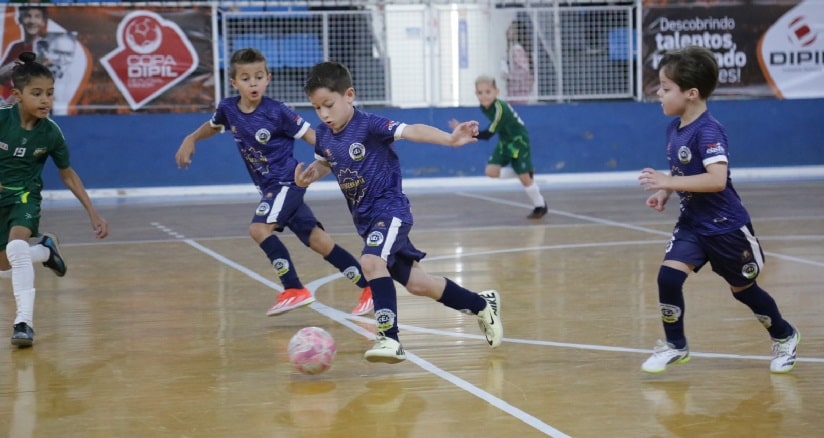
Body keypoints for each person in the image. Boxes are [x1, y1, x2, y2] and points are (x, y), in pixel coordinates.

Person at [297, 61, 503, 364]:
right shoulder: (324, 136)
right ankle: (482, 304)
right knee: (419, 284)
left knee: (370, 261)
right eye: (317, 108)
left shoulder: (368, 125)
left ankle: (389, 338)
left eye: (329, 105)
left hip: (390, 210)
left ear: (349, 95)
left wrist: (448, 139)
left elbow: (413, 130)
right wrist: (310, 176)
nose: (324, 114)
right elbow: (326, 161)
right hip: (366, 222)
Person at [174, 48, 373, 317]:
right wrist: (191, 138)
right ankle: (370, 288)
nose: (253, 83)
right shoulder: (228, 109)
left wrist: (341, 151)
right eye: (245, 78)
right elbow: (213, 125)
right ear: (234, 83)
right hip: (270, 189)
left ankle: (293, 288)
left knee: (258, 229)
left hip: (286, 183)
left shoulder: (277, 111)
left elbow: (312, 136)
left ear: (268, 78)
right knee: (319, 242)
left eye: (258, 76)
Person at [638, 45, 799, 374]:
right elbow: (685, 174)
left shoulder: (709, 131)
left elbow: (716, 180)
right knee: (668, 278)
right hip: (693, 224)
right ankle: (675, 345)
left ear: (691, 93)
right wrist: (667, 192)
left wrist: (668, 182)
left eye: (666, 89)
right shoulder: (675, 128)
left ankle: (784, 335)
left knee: (744, 292)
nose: (659, 94)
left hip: (726, 229)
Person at [0, 52, 109, 348]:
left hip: (25, 197)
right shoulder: (1, 119)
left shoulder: (51, 133)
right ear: (17, 95)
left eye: (49, 93)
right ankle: (47, 251)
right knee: (6, 262)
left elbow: (69, 175)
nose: (45, 100)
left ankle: (24, 323)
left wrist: (93, 214)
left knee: (16, 246)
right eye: (37, 94)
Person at [449, 75, 548, 219]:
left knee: (526, 181)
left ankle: (540, 205)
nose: (484, 96)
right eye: (480, 92)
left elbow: (488, 134)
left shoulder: (500, 109)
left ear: (497, 92)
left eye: (488, 92)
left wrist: (467, 134)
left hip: (519, 141)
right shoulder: (484, 108)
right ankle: (524, 171)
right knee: (491, 171)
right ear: (476, 94)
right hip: (505, 140)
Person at [0, 6, 49, 104]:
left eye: (37, 17)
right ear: (20, 19)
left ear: (43, 22)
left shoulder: (47, 48)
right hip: (12, 103)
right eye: (28, 16)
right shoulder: (16, 47)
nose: (32, 21)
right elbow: (1, 77)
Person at [501, 15, 534, 105]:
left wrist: (509, 76)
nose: (508, 30)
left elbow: (523, 70)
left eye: (512, 29)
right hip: (516, 90)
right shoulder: (513, 49)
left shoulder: (516, 49)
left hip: (518, 91)